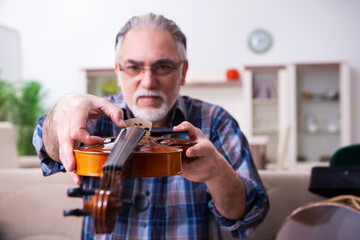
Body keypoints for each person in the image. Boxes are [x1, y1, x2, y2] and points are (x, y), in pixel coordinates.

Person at [33, 13, 269, 239]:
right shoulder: (93, 118)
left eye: (163, 67)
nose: (148, 82)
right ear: (118, 71)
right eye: (134, 67)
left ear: (183, 71)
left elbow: (249, 217)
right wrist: (60, 113)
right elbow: (49, 151)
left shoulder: (217, 121)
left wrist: (218, 173)